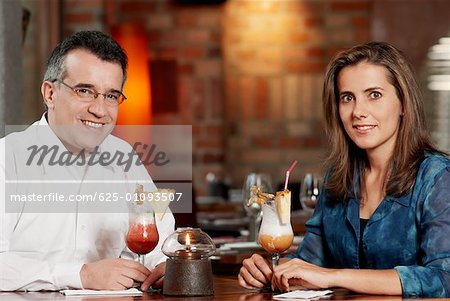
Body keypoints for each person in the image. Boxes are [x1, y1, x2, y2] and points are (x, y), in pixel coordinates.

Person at [238, 42, 450, 297]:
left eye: (374, 95)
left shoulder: (437, 178)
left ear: (404, 103)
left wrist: (334, 275)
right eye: (347, 98)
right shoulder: (337, 179)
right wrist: (270, 271)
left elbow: (443, 277)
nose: (358, 112)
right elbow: (310, 263)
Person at [0, 31, 175, 291]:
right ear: (50, 93)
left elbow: (161, 242)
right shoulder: (8, 159)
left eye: (111, 96)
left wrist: (164, 265)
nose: (100, 110)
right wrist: (81, 275)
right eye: (85, 91)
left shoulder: (124, 157)